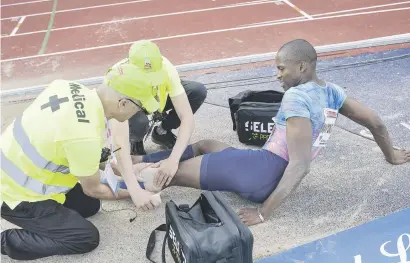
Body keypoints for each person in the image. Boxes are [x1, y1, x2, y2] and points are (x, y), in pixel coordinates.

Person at [131, 39, 410, 226]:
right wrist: (391, 156)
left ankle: (122, 179)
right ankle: (139, 162)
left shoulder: (296, 99)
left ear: (301, 66)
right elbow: (376, 123)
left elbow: (301, 165)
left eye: (280, 68)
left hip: (260, 173)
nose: (277, 75)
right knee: (205, 144)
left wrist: (263, 213)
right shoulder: (333, 91)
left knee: (166, 176)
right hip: (262, 168)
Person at [0, 63, 162, 260]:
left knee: (91, 206)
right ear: (123, 103)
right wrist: (135, 194)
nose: (138, 114)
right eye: (140, 108)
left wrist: (127, 172)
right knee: (85, 238)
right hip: (14, 195)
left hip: (16, 169)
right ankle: (6, 242)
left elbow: (74, 153)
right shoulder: (84, 136)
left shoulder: (68, 87)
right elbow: (92, 188)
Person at [112, 41, 207, 179]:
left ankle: (162, 131)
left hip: (157, 101)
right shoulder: (117, 77)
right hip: (135, 106)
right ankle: (136, 140)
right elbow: (116, 130)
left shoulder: (167, 68)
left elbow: (186, 117)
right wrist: (127, 169)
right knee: (140, 121)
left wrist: (173, 160)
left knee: (197, 91)